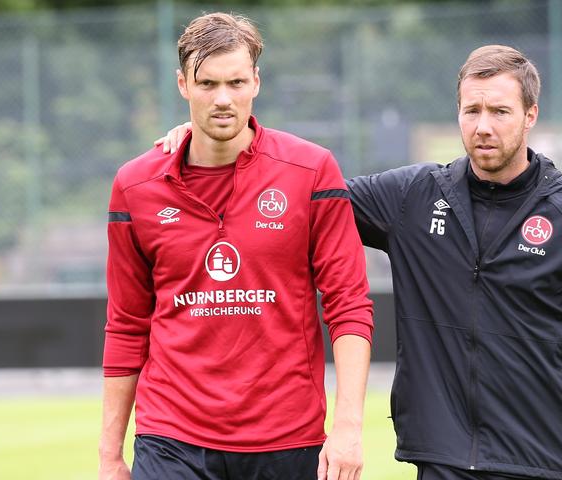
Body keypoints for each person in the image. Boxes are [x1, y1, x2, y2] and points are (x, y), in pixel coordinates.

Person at [158, 45, 562, 480]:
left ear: (531, 115)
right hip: (440, 458)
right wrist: (218, 138)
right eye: (472, 111)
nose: (483, 127)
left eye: (500, 112)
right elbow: (306, 189)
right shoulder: (415, 198)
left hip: (544, 459)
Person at [100, 12, 374, 480]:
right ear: (182, 84)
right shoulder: (135, 185)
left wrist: (347, 425)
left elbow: (349, 304)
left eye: (236, 82)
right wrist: (109, 456)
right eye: (207, 84)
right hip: (171, 438)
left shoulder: (310, 171)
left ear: (256, 82)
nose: (223, 99)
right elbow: (126, 324)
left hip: (288, 437)